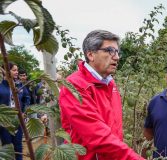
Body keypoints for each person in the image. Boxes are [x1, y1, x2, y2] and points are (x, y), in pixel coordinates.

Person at [59, 30, 144, 160]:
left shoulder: (110, 83)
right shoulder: (75, 86)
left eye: (117, 52)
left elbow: (113, 130)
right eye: (110, 51)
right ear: (91, 54)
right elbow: (97, 136)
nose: (116, 57)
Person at [0, 62, 30, 160]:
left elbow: (27, 98)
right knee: (7, 147)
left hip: (18, 121)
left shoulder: (19, 86)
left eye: (17, 70)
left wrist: (24, 111)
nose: (17, 72)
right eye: (14, 70)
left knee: (18, 146)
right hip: (5, 123)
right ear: (6, 71)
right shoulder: (1, 87)